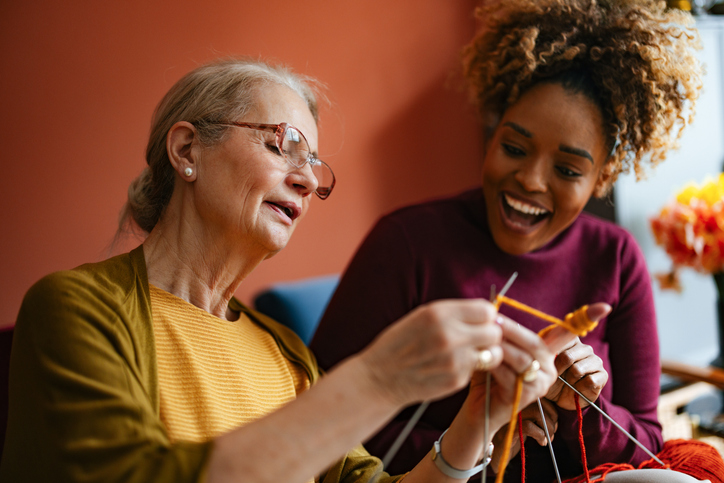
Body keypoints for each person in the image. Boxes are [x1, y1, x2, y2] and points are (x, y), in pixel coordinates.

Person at [0, 57, 593, 483]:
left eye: (314, 164)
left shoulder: (284, 352)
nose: (308, 179)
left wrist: (480, 416)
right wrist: (377, 380)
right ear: (186, 152)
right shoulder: (75, 308)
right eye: (283, 145)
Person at [311, 1, 707, 482]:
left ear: (601, 179)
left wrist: (586, 407)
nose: (531, 181)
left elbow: (647, 442)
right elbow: (325, 423)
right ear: (492, 133)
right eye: (514, 149)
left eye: (567, 170)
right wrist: (480, 437)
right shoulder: (406, 244)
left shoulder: (616, 258)